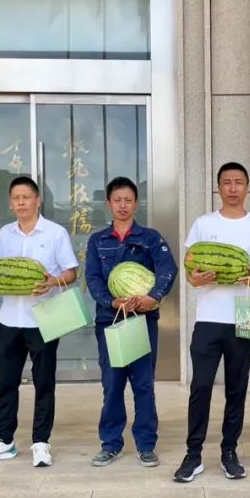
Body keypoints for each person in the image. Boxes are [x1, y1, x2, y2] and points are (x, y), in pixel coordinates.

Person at [173, 162, 250, 482]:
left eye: (238, 182)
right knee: (200, 387)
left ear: (247, 187)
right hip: (208, 318)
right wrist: (195, 279)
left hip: (244, 314)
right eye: (227, 182)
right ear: (218, 187)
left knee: (236, 388)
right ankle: (194, 454)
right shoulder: (203, 224)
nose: (233, 188)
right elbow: (190, 270)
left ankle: (230, 451)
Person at [0, 176, 79, 467]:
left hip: (44, 319)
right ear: (10, 203)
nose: (21, 202)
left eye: (26, 197)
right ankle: (4, 441)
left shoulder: (55, 233)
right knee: (6, 383)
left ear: (38, 201)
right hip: (9, 320)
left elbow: (72, 272)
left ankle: (41, 442)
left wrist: (53, 281)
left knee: (44, 384)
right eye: (16, 198)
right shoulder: (5, 234)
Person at [85, 177, 178, 467]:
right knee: (112, 384)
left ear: (136, 203)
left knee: (143, 384)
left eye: (128, 200)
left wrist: (154, 296)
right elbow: (93, 278)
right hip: (110, 320)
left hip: (141, 320)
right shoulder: (98, 240)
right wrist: (110, 301)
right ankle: (111, 443)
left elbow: (168, 269)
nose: (123, 205)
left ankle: (146, 444)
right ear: (109, 204)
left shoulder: (150, 238)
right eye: (117, 200)